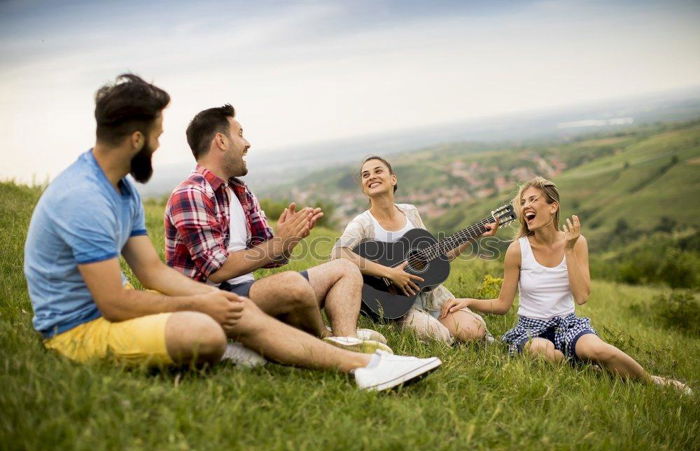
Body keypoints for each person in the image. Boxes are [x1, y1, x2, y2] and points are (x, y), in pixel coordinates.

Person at [23, 74, 441, 391]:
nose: (158, 142)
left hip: (174, 299)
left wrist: (272, 253)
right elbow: (114, 302)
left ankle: (362, 366)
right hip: (76, 330)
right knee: (208, 327)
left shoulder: (123, 191)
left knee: (230, 310)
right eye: (155, 135)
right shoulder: (85, 198)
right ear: (136, 138)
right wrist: (210, 303)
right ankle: (301, 350)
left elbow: (151, 273)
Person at [165, 105, 391, 356]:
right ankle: (326, 340)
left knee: (346, 269)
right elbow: (218, 270)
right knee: (292, 284)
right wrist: (278, 242)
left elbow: (270, 254)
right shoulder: (191, 193)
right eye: (240, 134)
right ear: (221, 141)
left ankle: (346, 339)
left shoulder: (240, 191)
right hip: (210, 304)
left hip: (246, 295)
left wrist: (288, 240)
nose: (247, 143)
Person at [440, 176, 691, 393]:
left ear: (553, 207)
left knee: (602, 351)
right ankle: (591, 372)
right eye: (523, 202)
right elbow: (503, 304)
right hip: (530, 329)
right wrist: (469, 301)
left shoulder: (577, 242)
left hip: (568, 323)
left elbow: (582, 296)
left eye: (533, 199)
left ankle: (654, 382)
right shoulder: (517, 250)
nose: (526, 205)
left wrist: (569, 249)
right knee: (543, 351)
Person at [331, 155, 498, 345]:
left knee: (474, 330)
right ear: (363, 187)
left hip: (430, 296)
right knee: (438, 335)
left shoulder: (410, 212)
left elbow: (437, 256)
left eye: (378, 171)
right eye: (365, 175)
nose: (371, 177)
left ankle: (463, 338)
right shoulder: (363, 223)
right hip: (396, 304)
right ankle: (449, 340)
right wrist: (390, 273)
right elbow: (338, 253)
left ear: (393, 179)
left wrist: (475, 234)